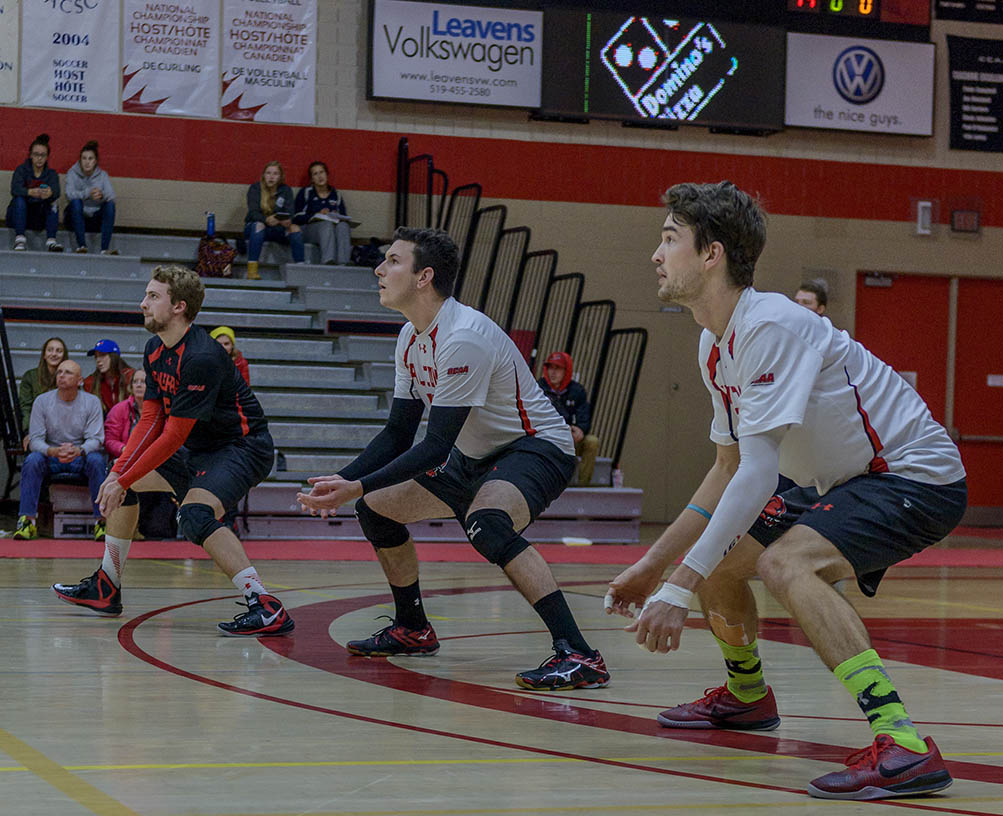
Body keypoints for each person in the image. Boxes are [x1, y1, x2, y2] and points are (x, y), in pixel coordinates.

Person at [605, 181, 967, 800]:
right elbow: (726, 470)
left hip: (912, 475)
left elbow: (757, 472)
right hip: (838, 480)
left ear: (711, 253)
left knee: (783, 562)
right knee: (722, 560)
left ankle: (903, 742)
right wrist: (653, 565)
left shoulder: (773, 323)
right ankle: (747, 697)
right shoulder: (712, 342)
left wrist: (677, 586)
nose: (656, 254)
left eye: (670, 239)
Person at [297, 228, 608, 690]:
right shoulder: (410, 335)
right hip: (472, 453)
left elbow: (434, 446)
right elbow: (400, 432)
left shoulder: (464, 336)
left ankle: (580, 654)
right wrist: (344, 482)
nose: (380, 270)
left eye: (392, 261)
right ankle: (413, 629)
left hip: (536, 445)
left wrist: (355, 485)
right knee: (376, 509)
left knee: (489, 524)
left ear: (424, 277)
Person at [52, 265, 293, 636]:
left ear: (179, 306)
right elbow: (149, 421)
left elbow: (173, 435)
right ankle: (106, 586)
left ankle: (265, 605)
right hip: (198, 446)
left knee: (194, 516)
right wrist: (120, 472)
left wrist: (123, 475)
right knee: (124, 486)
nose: (143, 303)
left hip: (240, 447)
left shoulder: (202, 357)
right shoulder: (155, 348)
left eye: (152, 296)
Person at [13, 360, 105, 541]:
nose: (61, 375)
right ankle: (27, 521)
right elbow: (35, 440)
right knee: (32, 460)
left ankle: (101, 522)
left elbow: (96, 439)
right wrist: (52, 451)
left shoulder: (92, 402)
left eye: (68, 373)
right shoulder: (42, 401)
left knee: (97, 460)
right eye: (59, 372)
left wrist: (79, 450)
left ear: (79, 381)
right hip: (52, 456)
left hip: (79, 456)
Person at [105, 368, 176, 540]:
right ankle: (120, 535)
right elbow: (109, 439)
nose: (139, 385)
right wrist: (124, 450)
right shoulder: (120, 409)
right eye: (135, 381)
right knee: (114, 470)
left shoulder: (166, 410)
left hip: (157, 459)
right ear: (130, 387)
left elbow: (170, 436)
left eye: (143, 382)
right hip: (128, 457)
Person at [537, 351, 600, 487]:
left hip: (570, 437)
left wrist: (581, 429)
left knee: (592, 442)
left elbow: (584, 416)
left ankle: (582, 486)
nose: (553, 372)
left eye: (558, 368)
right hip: (546, 437)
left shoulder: (577, 390)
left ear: (567, 371)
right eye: (550, 368)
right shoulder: (538, 388)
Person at [244, 161, 302, 280]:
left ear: (280, 176)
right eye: (268, 173)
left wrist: (285, 220)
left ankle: (300, 270)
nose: (271, 176)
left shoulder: (286, 190)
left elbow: (290, 213)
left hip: (278, 227)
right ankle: (252, 270)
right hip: (257, 227)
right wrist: (266, 219)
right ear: (263, 175)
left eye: (275, 173)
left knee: (295, 228)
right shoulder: (255, 188)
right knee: (258, 225)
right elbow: (253, 212)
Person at [293, 160, 359, 266]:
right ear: (312, 179)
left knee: (343, 226)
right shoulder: (305, 193)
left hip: (333, 230)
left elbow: (343, 215)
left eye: (322, 172)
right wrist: (316, 214)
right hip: (310, 230)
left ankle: (343, 262)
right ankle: (328, 261)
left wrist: (337, 216)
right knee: (326, 225)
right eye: (315, 174)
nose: (320, 176)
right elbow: (296, 217)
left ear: (327, 174)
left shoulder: (336, 194)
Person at [6, 133, 62, 252]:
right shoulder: (22, 170)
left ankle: (51, 241)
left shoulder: (51, 174)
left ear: (47, 157)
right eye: (36, 154)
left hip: (39, 216)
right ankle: (20, 240)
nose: (39, 158)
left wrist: (50, 193)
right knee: (19, 199)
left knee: (54, 201)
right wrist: (30, 192)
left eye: (43, 155)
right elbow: (15, 189)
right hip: (19, 215)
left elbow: (57, 192)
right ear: (31, 155)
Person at [64, 140, 118, 255]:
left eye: (90, 159)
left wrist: (102, 195)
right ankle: (82, 246)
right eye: (84, 158)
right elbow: (69, 195)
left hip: (95, 218)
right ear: (80, 160)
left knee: (110, 205)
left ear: (95, 161)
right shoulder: (72, 173)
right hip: (76, 216)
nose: (87, 162)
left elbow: (113, 197)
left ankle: (104, 249)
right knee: (76, 202)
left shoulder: (103, 175)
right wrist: (88, 193)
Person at [18, 337, 68, 447]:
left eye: (59, 351)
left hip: (63, 433)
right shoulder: (30, 377)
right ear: (44, 355)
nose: (54, 354)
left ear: (64, 356)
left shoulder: (70, 378)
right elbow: (26, 408)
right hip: (37, 430)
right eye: (50, 350)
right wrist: (28, 432)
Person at [83, 339, 135, 416]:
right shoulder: (90, 382)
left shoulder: (130, 377)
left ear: (113, 357)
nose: (98, 360)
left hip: (129, 423)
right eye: (96, 357)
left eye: (102, 355)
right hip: (105, 425)